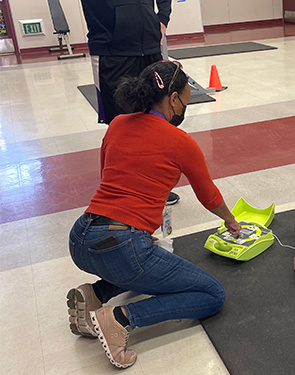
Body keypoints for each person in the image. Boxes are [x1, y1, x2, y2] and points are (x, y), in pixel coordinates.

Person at [66, 61, 241, 369]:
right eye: (186, 100)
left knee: (156, 252)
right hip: (123, 246)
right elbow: (208, 196)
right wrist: (230, 220)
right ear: (173, 99)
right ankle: (120, 318)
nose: (185, 108)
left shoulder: (118, 124)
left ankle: (94, 293)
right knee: (213, 294)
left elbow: (107, 175)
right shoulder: (180, 142)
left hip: (81, 237)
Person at [80, 0, 179, 205]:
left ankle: (153, 185)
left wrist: (162, 17)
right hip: (112, 51)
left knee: (155, 119)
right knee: (120, 122)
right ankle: (125, 189)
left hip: (150, 48)